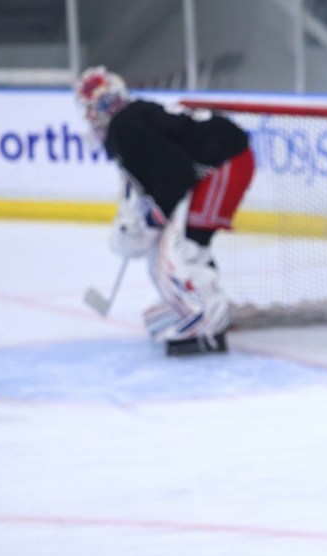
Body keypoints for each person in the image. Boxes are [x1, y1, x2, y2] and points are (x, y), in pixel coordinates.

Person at [75, 66, 254, 355]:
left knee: (187, 249)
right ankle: (198, 309)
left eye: (93, 109)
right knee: (176, 248)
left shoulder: (125, 128)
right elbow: (164, 174)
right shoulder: (129, 123)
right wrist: (149, 218)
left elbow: (176, 173)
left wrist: (153, 218)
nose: (91, 117)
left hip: (227, 163)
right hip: (221, 162)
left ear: (105, 105)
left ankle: (210, 324)